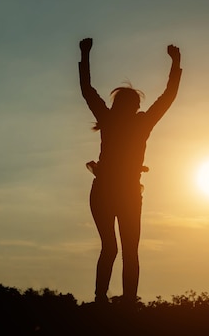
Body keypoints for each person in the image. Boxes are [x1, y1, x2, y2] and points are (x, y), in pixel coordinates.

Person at [78, 37, 182, 304]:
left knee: (117, 249)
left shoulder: (121, 120)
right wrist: (176, 63)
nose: (137, 108)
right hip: (112, 191)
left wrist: (86, 54)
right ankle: (111, 301)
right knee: (121, 250)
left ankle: (119, 301)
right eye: (135, 105)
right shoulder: (134, 122)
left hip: (117, 191)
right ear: (131, 106)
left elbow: (88, 90)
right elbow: (167, 97)